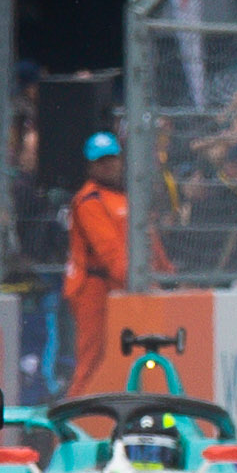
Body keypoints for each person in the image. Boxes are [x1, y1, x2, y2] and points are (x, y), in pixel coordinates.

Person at [61, 128, 131, 389]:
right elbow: (110, 253)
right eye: (101, 160)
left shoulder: (125, 195)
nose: (109, 165)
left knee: (118, 359)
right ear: (91, 165)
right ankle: (70, 427)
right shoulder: (89, 200)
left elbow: (148, 241)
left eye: (112, 158)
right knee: (91, 361)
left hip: (116, 287)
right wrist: (137, 282)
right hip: (93, 288)